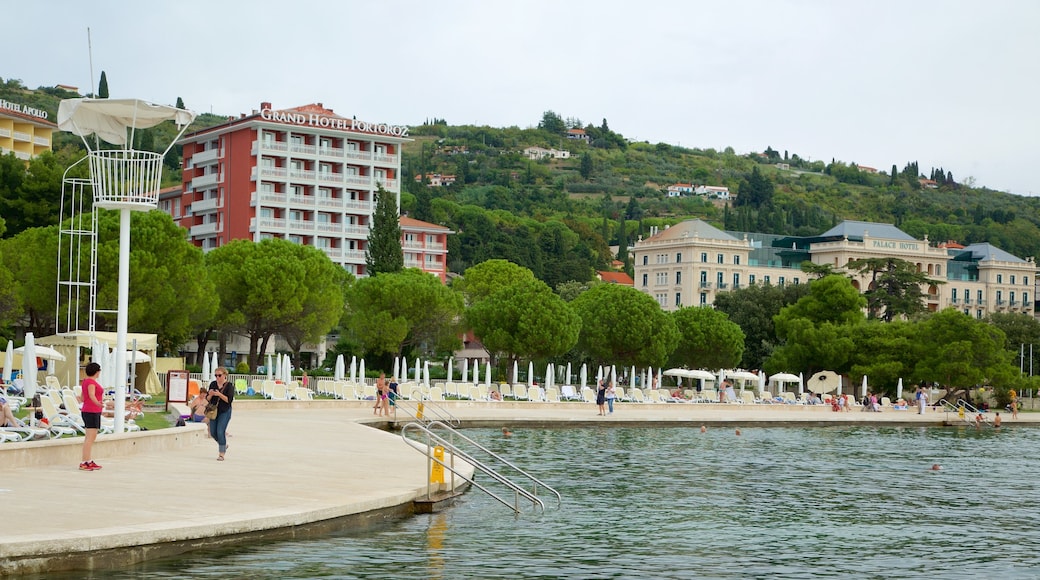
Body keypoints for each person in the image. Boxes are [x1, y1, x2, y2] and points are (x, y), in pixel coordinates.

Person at [79, 362, 104, 471]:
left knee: (90, 437)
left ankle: (88, 460)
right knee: (90, 437)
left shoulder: (85, 382)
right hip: (91, 411)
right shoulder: (91, 383)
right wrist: (98, 403)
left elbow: (83, 397)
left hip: (90, 410)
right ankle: (84, 462)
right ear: (97, 372)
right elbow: (91, 395)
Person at [207, 366, 234, 461]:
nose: (217, 377)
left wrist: (219, 394)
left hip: (224, 411)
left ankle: (221, 454)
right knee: (213, 432)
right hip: (213, 411)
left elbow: (229, 400)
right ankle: (223, 444)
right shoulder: (213, 384)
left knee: (220, 431)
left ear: (225, 375)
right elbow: (207, 399)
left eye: (219, 375)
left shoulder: (229, 386)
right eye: (216, 375)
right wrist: (210, 394)